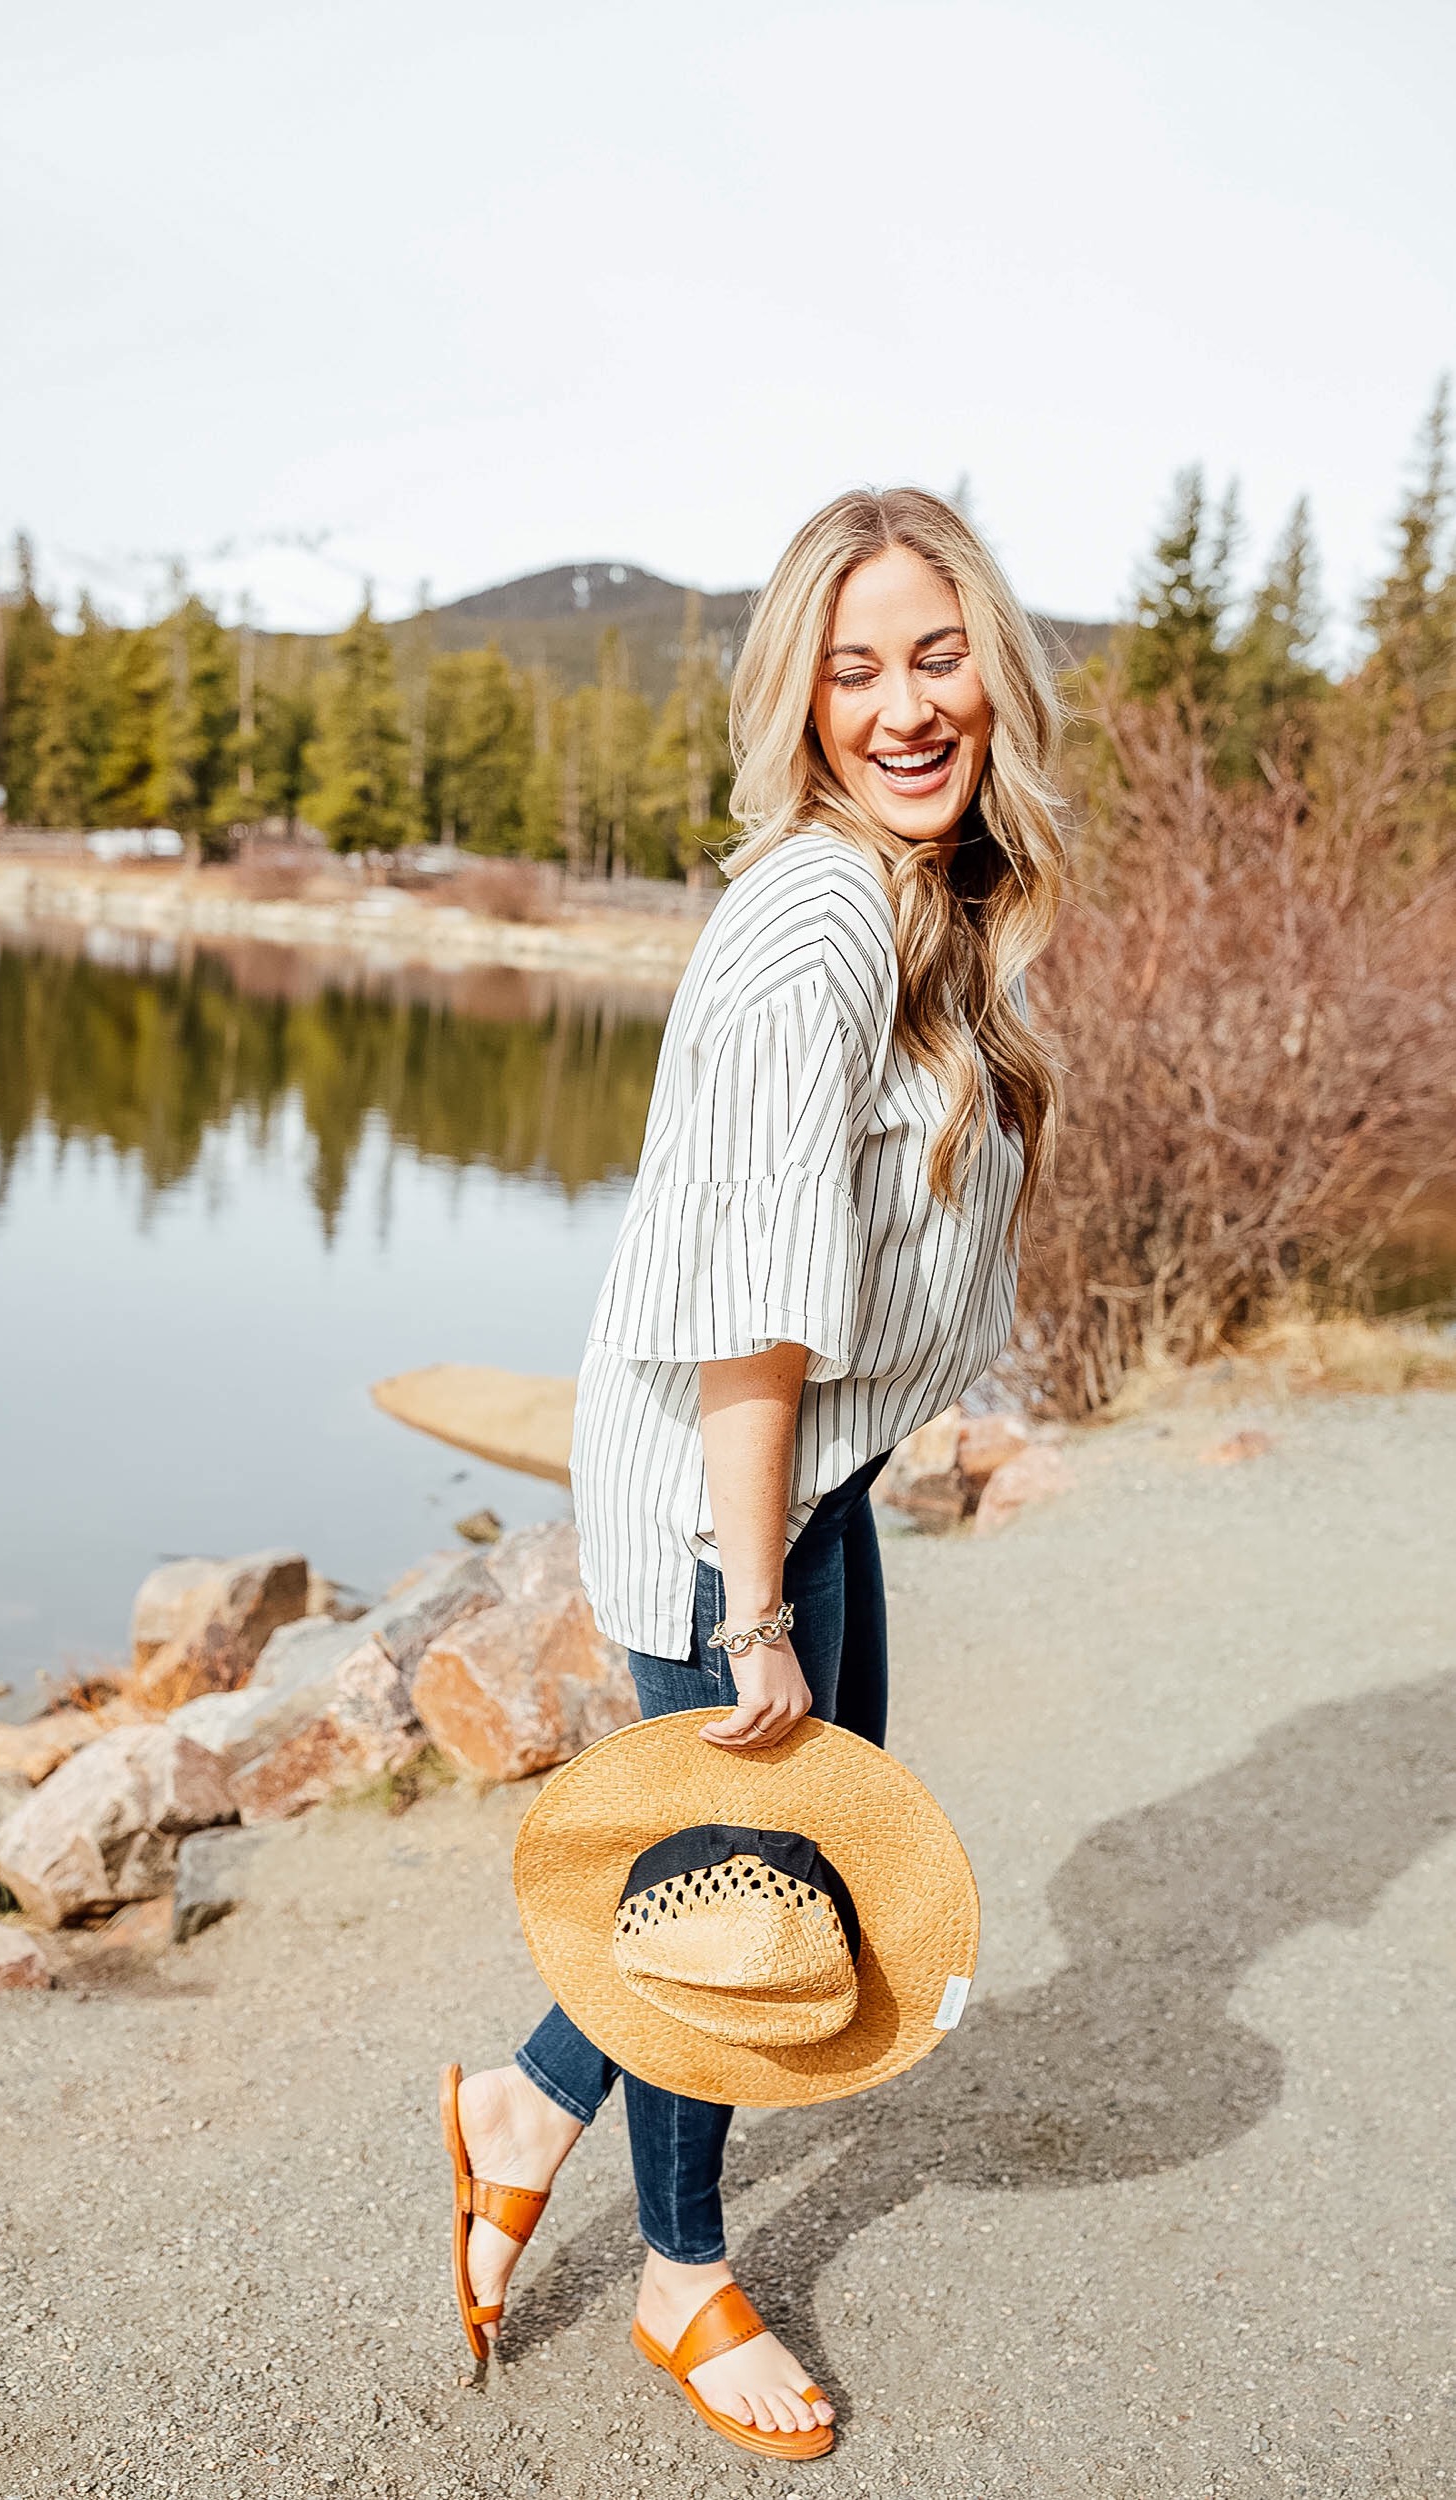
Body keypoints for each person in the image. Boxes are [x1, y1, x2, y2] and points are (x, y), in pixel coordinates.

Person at [443, 485, 1067, 2456]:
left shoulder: (927, 895)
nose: (902, 705)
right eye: (854, 668)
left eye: (934, 654)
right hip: (737, 1478)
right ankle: (683, 2273)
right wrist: (754, 1605)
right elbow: (753, 1308)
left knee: (794, 1858)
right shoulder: (812, 920)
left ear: (994, 671)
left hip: (810, 1464)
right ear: (798, 702)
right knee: (749, 1887)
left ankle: (523, 2104)